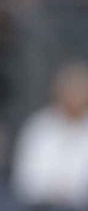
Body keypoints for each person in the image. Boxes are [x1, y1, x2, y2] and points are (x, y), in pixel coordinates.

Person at [11, 61, 88, 210]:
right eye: (70, 90)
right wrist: (55, 192)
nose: (75, 96)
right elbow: (25, 180)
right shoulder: (39, 127)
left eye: (80, 90)